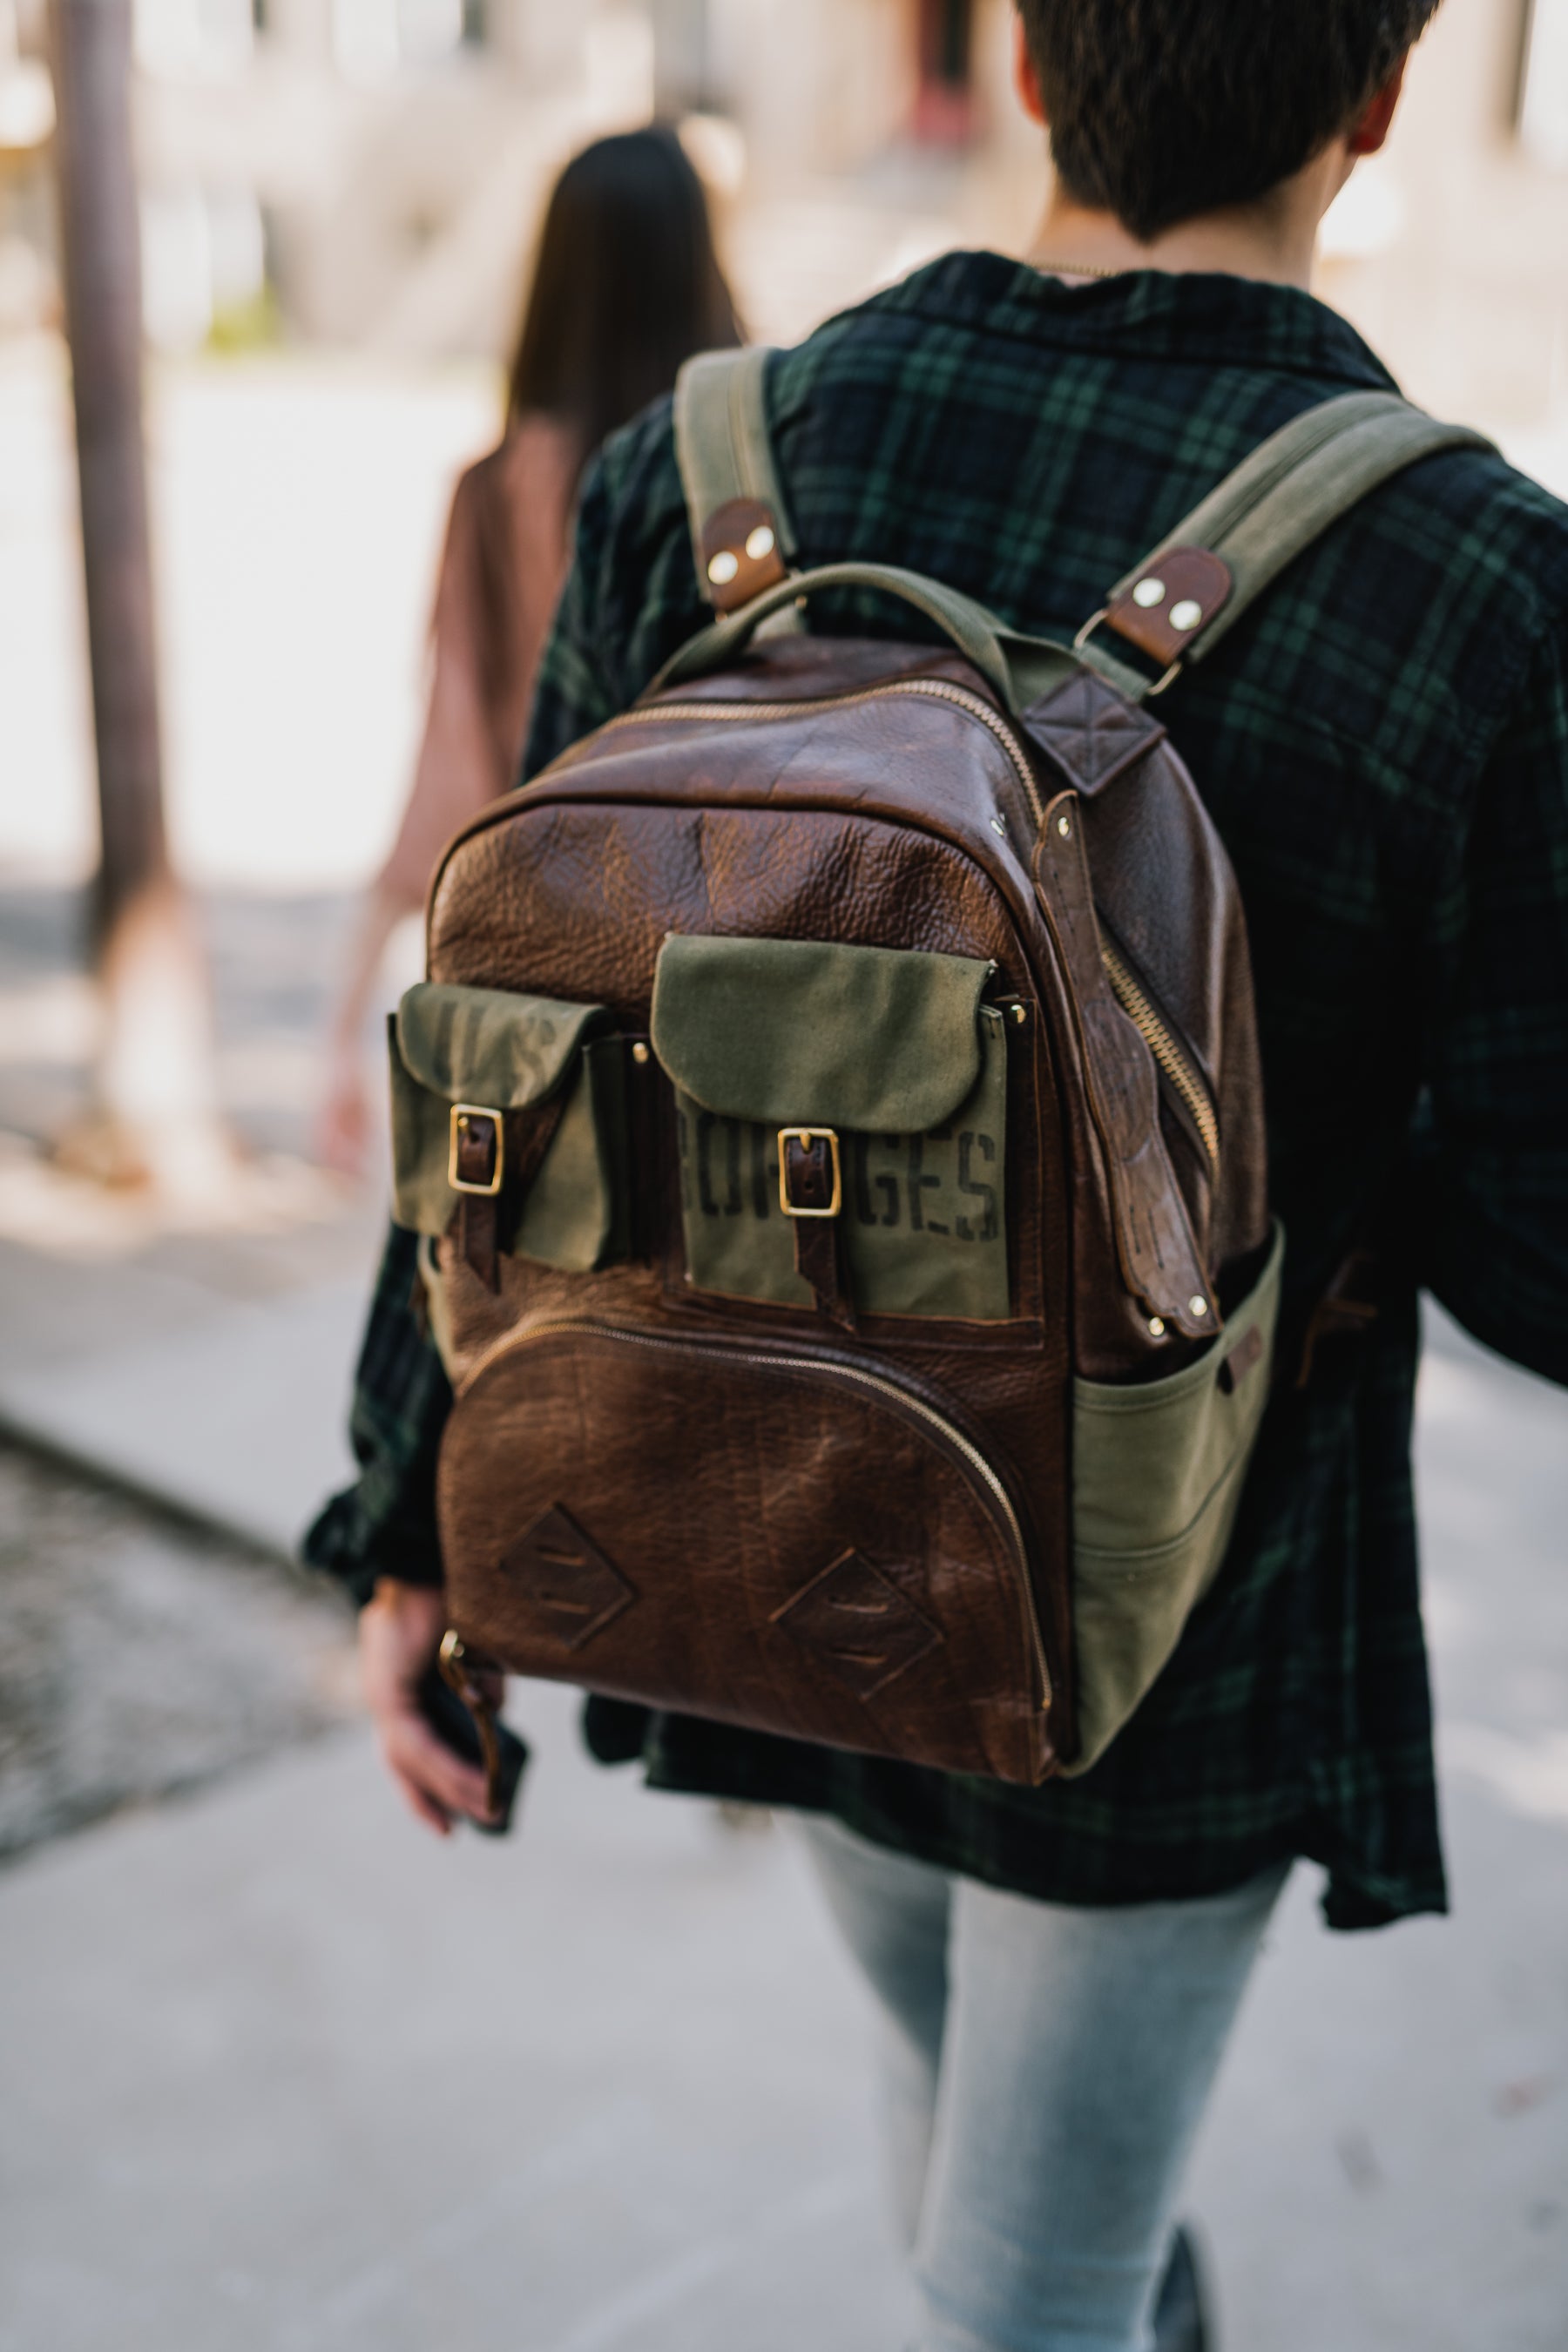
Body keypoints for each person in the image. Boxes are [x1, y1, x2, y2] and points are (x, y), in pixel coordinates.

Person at [307, 6, 1568, 2348]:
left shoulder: (714, 459)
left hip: (741, 1508)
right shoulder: (1474, 577)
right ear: (1381, 91)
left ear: (1018, 52)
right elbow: (1541, 1249)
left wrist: (411, 1513)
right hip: (1153, 1617)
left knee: (997, 2225)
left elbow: (503, 1065)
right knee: (1022, 2291)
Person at [314, 125, 740, 1174]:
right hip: (737, 981)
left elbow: (451, 757)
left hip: (549, 995)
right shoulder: (747, 486)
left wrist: (344, 1025)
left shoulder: (500, 487)